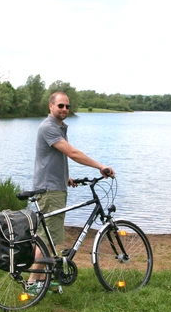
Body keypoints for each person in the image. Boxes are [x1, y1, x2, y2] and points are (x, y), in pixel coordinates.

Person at [27, 91, 114, 295]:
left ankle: (42, 280)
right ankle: (33, 282)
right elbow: (72, 153)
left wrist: (66, 176)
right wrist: (100, 166)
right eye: (60, 106)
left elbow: (52, 156)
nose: (64, 109)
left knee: (48, 235)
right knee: (46, 237)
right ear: (51, 107)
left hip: (54, 185)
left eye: (67, 106)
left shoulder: (58, 127)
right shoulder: (49, 127)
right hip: (50, 190)